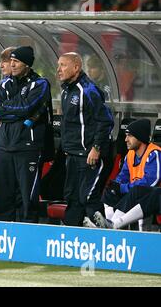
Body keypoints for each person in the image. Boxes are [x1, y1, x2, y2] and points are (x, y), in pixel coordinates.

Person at [0, 46, 53, 223]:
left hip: (28, 147)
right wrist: (18, 114)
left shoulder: (40, 84)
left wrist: (9, 110)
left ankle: (27, 238)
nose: (12, 64)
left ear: (26, 64)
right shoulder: (4, 84)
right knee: (1, 195)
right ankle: (2, 236)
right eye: (11, 61)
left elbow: (27, 107)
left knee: (27, 198)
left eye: (16, 61)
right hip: (3, 145)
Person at [57, 52, 114, 227]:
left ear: (76, 67)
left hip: (89, 154)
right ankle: (70, 239)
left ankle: (104, 239)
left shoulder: (88, 90)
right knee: (72, 197)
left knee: (88, 197)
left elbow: (105, 121)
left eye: (63, 65)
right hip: (72, 154)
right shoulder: (66, 90)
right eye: (58, 65)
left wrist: (96, 148)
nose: (59, 70)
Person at [83, 118, 161, 227]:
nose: (125, 139)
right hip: (134, 191)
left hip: (151, 194)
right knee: (111, 189)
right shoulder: (130, 155)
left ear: (140, 137)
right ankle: (109, 223)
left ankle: (112, 226)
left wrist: (124, 187)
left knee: (134, 191)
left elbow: (151, 181)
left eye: (130, 136)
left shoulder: (154, 153)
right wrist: (116, 185)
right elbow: (123, 176)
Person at [92, 185, 161, 230]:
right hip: (132, 186)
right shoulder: (129, 161)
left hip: (146, 188)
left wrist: (126, 187)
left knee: (156, 194)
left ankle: (113, 225)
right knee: (111, 190)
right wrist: (120, 186)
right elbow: (124, 174)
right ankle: (111, 224)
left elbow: (152, 179)